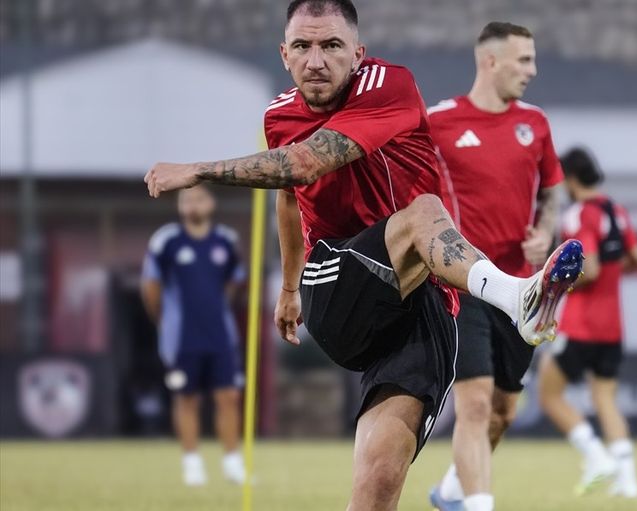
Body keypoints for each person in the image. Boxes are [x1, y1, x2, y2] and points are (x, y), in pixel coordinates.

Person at [143, 1, 583, 508]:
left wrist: (199, 168)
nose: (316, 61)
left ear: (358, 53)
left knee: (378, 486)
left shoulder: (389, 86)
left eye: (331, 45)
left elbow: (303, 164)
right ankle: (518, 296)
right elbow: (291, 192)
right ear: (284, 54)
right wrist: (289, 287)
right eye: (303, 47)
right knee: (424, 212)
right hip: (336, 282)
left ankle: (514, 312)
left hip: (420, 306)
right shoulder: (279, 116)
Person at [425, 22, 564, 511]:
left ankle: (450, 491)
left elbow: (552, 192)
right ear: (490, 61)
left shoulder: (536, 123)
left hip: (522, 291)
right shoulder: (437, 122)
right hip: (463, 285)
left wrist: (545, 231)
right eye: (524, 60)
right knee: (475, 404)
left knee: (502, 413)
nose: (533, 70)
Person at [537, 147, 637, 498]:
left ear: (569, 178)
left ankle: (596, 456)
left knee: (548, 395)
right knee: (605, 398)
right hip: (613, 326)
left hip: (581, 324)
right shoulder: (617, 211)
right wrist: (612, 277)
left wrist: (554, 281)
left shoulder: (579, 214)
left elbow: (591, 267)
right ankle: (628, 481)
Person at [140, 184, 247, 486]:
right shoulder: (167, 241)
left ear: (210, 203)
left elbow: (234, 282)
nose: (193, 204)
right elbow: (151, 286)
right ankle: (192, 463)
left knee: (228, 396)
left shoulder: (225, 241)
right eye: (186, 199)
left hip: (220, 334)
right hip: (181, 337)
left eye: (199, 198)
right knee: (186, 397)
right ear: (179, 206)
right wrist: (164, 321)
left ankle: (232, 462)